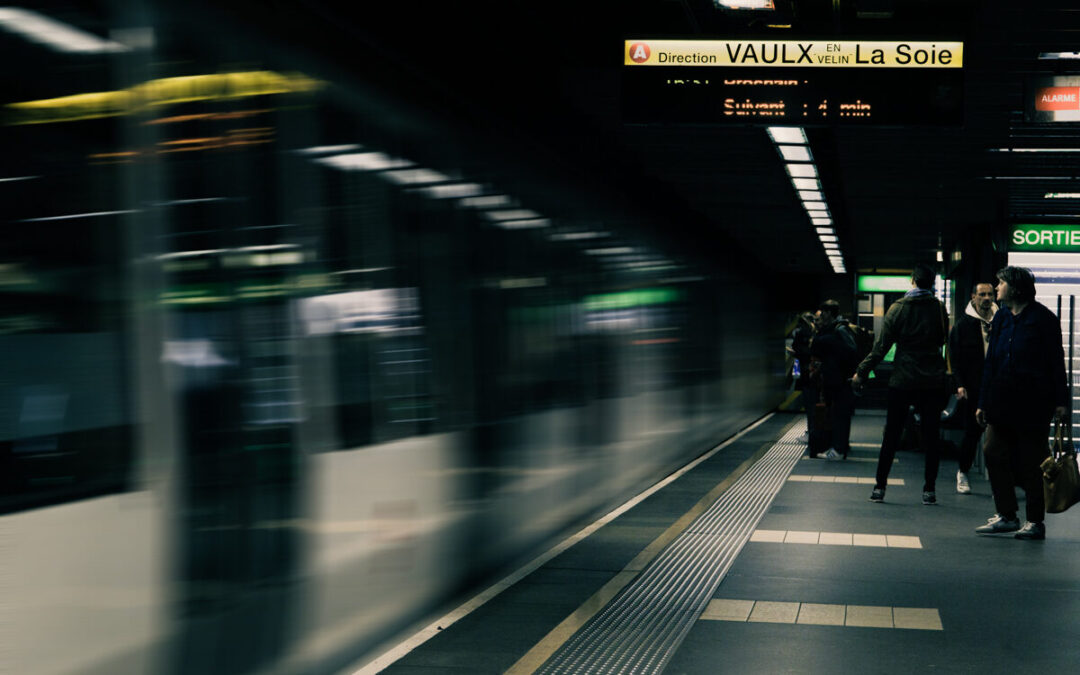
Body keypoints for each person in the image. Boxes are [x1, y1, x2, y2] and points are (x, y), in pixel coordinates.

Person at [974, 266, 1068, 540]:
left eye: (1000, 283)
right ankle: (1007, 515)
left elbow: (1055, 362)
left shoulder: (1043, 320)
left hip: (1033, 404)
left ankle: (1035, 521)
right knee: (992, 451)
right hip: (1001, 402)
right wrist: (983, 401)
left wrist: (1061, 401)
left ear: (1015, 287)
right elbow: (991, 362)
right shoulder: (1002, 317)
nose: (996, 288)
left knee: (1032, 461)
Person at [852, 264, 949, 505]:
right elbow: (943, 339)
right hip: (932, 381)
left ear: (912, 280)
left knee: (892, 435)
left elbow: (881, 346)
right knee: (931, 437)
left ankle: (880, 487)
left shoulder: (898, 308)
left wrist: (861, 371)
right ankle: (929, 490)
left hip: (903, 380)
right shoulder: (938, 308)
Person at [947, 282, 997, 494]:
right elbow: (954, 358)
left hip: (997, 387)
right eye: (982, 294)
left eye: (990, 294)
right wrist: (959, 384)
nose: (986, 298)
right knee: (972, 432)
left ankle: (1003, 480)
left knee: (1001, 435)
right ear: (973, 297)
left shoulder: (1002, 320)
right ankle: (963, 472)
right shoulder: (963, 325)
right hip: (973, 387)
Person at [808, 300, 857, 460]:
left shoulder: (840, 329)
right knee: (836, 414)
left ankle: (839, 449)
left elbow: (850, 351)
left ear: (829, 313)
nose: (821, 317)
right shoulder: (834, 330)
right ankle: (837, 446)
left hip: (841, 380)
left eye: (823, 314)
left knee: (840, 414)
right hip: (835, 379)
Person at [789, 312, 817, 443]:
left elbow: (800, 351)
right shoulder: (816, 333)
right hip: (815, 373)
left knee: (810, 405)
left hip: (808, 374)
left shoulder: (803, 333)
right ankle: (813, 432)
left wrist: (796, 353)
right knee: (814, 406)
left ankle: (811, 433)